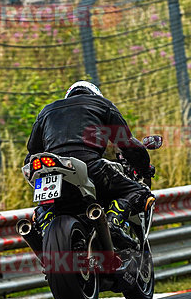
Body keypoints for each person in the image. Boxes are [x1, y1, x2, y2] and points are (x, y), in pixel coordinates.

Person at [25, 81, 154, 250]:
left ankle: (44, 226)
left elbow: (32, 151)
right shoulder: (102, 105)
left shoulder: (47, 111)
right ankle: (113, 224)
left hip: (49, 169)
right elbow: (127, 144)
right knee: (139, 191)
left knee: (45, 206)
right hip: (88, 164)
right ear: (94, 95)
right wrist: (144, 167)